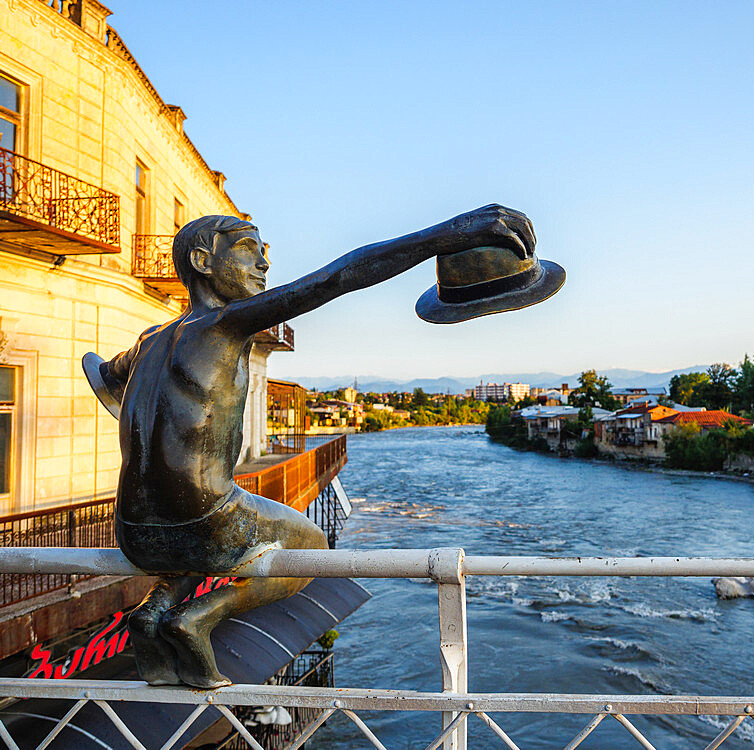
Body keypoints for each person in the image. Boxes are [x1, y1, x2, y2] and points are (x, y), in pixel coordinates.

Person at [96, 205, 536, 688]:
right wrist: (447, 235)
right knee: (311, 545)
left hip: (133, 530)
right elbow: (338, 277)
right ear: (203, 261)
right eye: (248, 250)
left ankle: (153, 609)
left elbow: (101, 372)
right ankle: (197, 617)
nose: (264, 264)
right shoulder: (224, 326)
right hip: (202, 518)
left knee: (201, 544)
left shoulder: (148, 339)